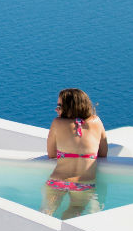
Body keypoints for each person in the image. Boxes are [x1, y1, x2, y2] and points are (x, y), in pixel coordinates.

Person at [41, 88, 108, 219]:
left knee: (45, 213)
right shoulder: (97, 122)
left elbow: (51, 154)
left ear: (70, 107)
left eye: (60, 106)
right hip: (83, 184)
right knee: (73, 213)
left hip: (57, 181)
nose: (56, 109)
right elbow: (103, 153)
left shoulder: (57, 123)